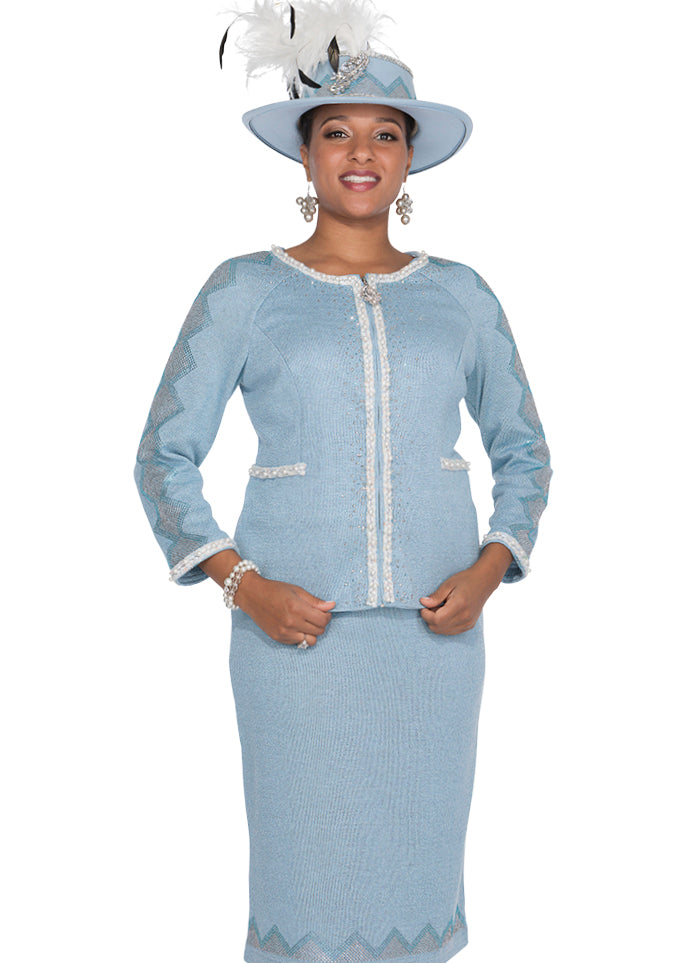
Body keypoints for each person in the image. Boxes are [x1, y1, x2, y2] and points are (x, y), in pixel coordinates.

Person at [133, 1, 552, 961]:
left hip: (435, 644)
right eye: (337, 132)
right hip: (293, 643)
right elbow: (162, 453)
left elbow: (525, 450)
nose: (361, 152)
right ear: (305, 154)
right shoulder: (246, 289)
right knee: (306, 889)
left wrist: (491, 567)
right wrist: (243, 583)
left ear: (409, 158)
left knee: (419, 887)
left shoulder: (462, 295)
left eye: (384, 134)